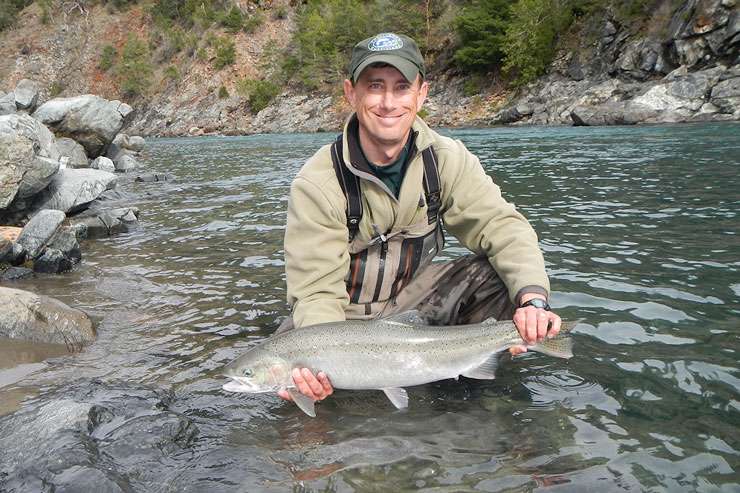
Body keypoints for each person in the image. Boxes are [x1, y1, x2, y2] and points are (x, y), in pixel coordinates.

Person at [276, 32, 562, 406]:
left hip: (409, 306)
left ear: (421, 94)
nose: (388, 102)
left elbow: (502, 227)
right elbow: (315, 293)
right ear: (351, 93)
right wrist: (316, 365)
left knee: (497, 277)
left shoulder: (446, 160)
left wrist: (533, 302)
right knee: (292, 386)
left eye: (401, 87)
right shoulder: (317, 184)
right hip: (340, 321)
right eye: (374, 86)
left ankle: (466, 390)